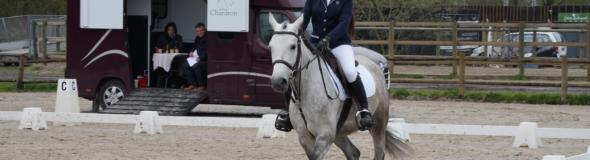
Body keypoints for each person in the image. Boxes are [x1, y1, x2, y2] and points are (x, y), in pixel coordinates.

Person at [275, 0, 375, 131]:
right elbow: (304, 18)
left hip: (339, 44)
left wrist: (329, 38)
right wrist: (295, 31)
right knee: (293, 69)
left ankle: (363, 110)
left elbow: (344, 23)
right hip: (315, 43)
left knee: (350, 71)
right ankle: (289, 113)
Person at [183, 23, 208, 91]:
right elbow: (193, 47)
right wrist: (191, 52)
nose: (199, 32)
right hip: (196, 58)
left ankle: (202, 85)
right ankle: (192, 84)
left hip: (205, 60)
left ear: (204, 30)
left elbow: (209, 51)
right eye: (197, 31)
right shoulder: (197, 38)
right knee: (186, 65)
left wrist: (201, 58)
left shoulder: (209, 38)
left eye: (201, 30)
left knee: (196, 66)